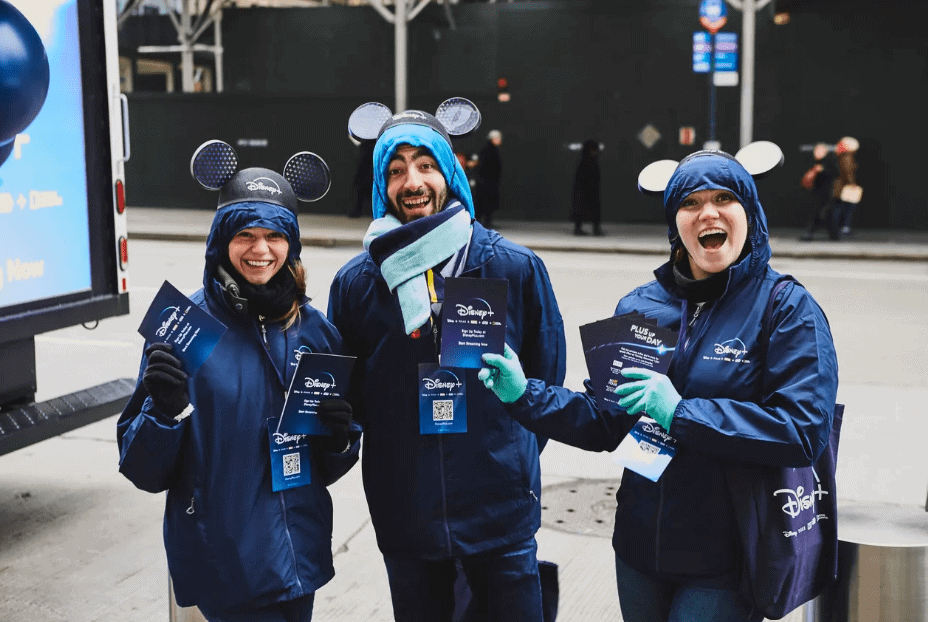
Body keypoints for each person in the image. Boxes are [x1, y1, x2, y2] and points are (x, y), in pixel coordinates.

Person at [479, 147, 839, 622]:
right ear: (675, 225)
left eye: (724, 198)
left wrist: (680, 412)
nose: (707, 211)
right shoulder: (642, 306)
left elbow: (803, 431)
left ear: (749, 212)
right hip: (639, 549)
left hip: (726, 559)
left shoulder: (787, 308)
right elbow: (605, 420)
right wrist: (523, 394)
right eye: (690, 203)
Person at [328, 107, 566, 621]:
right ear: (380, 184)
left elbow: (546, 381)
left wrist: (505, 455)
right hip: (406, 518)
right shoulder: (358, 284)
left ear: (451, 173)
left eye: (425, 165)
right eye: (395, 170)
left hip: (500, 514)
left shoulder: (512, 267)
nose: (411, 182)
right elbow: (351, 399)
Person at [116, 148, 361, 622]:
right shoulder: (183, 327)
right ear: (220, 241)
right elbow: (143, 470)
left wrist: (338, 440)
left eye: (274, 235)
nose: (261, 250)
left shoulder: (315, 330)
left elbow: (329, 465)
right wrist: (164, 413)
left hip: (297, 563)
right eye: (244, 235)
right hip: (223, 568)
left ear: (292, 243)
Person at [798, 142, 837, 241]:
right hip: (816, 193)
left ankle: (809, 233)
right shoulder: (813, 162)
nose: (817, 153)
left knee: (820, 213)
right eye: (816, 150)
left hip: (826, 193)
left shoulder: (829, 162)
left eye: (820, 151)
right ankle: (833, 235)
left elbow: (834, 173)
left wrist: (822, 170)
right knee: (825, 215)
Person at [829, 136, 860, 240]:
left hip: (838, 186)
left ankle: (836, 228)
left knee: (838, 207)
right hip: (845, 187)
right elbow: (848, 172)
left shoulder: (838, 156)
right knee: (848, 208)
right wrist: (852, 183)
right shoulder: (847, 157)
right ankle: (845, 228)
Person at [571, 139, 604, 236]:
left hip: (590, 191)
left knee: (591, 210)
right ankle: (581, 229)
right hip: (585, 191)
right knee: (581, 209)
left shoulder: (590, 162)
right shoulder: (587, 162)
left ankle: (594, 229)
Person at [474, 129, 503, 228]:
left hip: (487, 182)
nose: (500, 141)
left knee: (485, 204)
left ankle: (484, 222)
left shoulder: (488, 150)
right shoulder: (490, 151)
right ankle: (484, 223)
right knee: (485, 203)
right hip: (487, 183)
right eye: (498, 138)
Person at [348, 139, 375, 218]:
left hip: (371, 174)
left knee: (371, 190)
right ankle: (356, 210)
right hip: (363, 172)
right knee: (360, 187)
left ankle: (373, 212)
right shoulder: (364, 147)